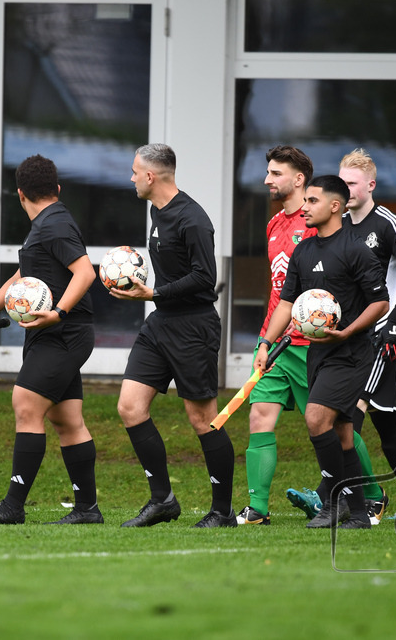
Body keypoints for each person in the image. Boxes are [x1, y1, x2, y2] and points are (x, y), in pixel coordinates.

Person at [238, 146, 385, 526]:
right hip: (281, 345)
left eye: (275, 173)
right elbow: (284, 299)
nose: (267, 180)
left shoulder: (350, 246)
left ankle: (365, 497)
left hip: (330, 348)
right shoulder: (282, 232)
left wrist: (348, 330)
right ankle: (257, 509)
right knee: (262, 417)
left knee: (333, 426)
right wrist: (264, 342)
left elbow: (380, 301)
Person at [0, 154, 103, 526]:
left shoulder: (55, 225)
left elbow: (85, 273)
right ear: (56, 189)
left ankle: (13, 505)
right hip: (56, 332)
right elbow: (24, 273)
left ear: (19, 194)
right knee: (67, 419)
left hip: (63, 332)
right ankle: (87, 510)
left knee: (26, 404)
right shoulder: (47, 224)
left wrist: (58, 312)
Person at [111, 143, 236, 528]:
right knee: (130, 407)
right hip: (160, 324)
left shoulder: (193, 219)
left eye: (135, 172)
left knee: (203, 421)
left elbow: (204, 278)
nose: (131, 178)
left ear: (151, 176)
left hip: (193, 326)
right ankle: (163, 500)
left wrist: (153, 293)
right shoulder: (155, 210)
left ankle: (222, 511)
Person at [338, 148, 396, 522]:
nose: (344, 190)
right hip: (350, 333)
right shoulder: (339, 224)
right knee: (385, 420)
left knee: (350, 414)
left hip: (380, 335)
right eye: (341, 182)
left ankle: (341, 497)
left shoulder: (387, 223)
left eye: (351, 183)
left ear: (371, 185)